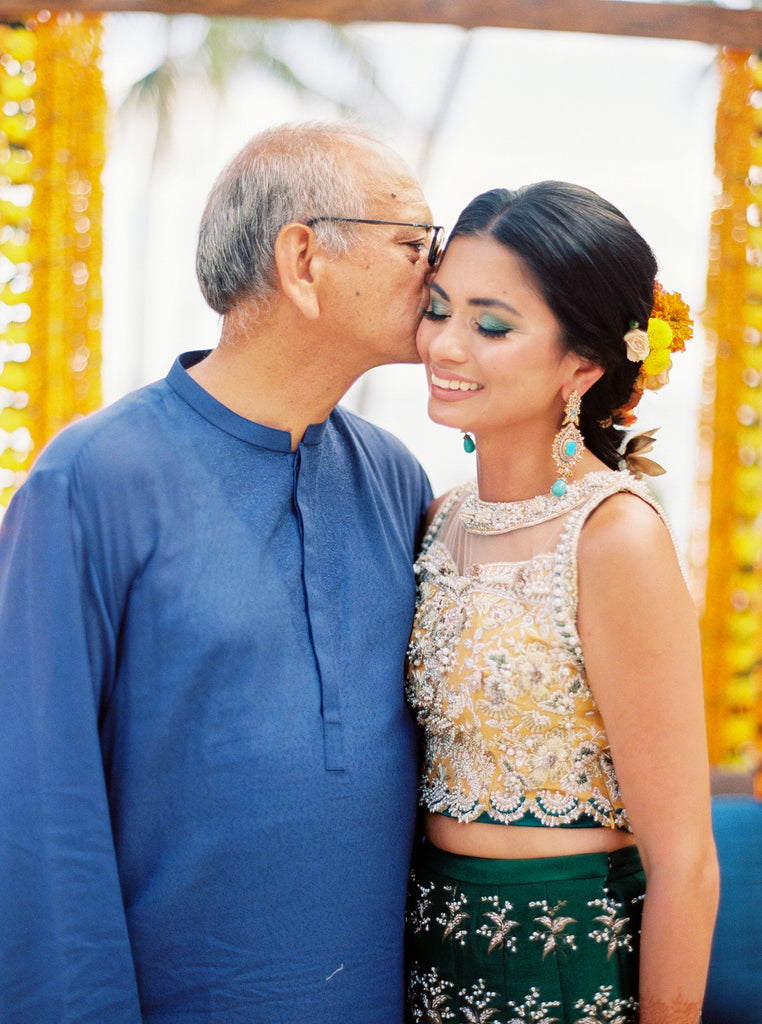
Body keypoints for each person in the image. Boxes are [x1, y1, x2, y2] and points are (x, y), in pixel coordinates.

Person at [0, 122, 441, 1023]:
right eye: (411, 243)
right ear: (304, 259)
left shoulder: (396, 478)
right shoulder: (91, 478)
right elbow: (35, 805)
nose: (436, 272)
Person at [404, 182, 719, 1024]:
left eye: (492, 324)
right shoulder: (439, 520)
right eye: (439, 309)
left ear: (582, 363)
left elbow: (685, 856)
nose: (447, 345)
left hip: (569, 958)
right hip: (431, 958)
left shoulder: (615, 538)